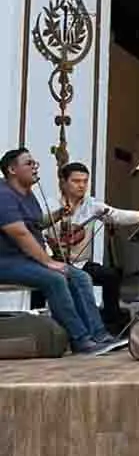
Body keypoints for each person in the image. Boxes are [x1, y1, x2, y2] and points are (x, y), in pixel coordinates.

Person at [0, 148, 122, 353]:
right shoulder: (3, 195)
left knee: (81, 277)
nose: (35, 167)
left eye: (34, 162)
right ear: (12, 169)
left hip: (27, 260)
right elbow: (20, 233)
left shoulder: (28, 194)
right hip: (7, 262)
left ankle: (98, 334)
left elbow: (36, 224)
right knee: (55, 278)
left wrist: (57, 215)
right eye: (29, 163)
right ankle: (80, 340)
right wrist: (48, 262)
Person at [47, 162, 139, 328]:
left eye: (85, 181)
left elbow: (117, 215)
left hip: (80, 264)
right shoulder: (50, 204)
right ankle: (42, 322)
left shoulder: (91, 205)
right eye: (76, 181)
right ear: (63, 182)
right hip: (52, 262)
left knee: (111, 276)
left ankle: (112, 321)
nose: (82, 185)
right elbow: (37, 230)